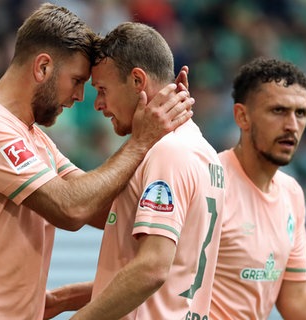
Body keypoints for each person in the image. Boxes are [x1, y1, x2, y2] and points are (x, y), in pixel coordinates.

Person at [0, 3, 195, 320]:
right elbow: (71, 209)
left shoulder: (35, 140)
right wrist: (141, 142)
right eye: (77, 80)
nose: (81, 97)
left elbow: (100, 206)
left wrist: (169, 166)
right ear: (42, 68)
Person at [44, 22, 225, 320]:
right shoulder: (204, 152)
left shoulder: (167, 152)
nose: (99, 104)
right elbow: (174, 273)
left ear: (138, 81)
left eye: (102, 90)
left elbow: (152, 269)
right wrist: (64, 299)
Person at [210, 57, 306, 320]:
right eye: (278, 111)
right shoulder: (208, 181)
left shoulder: (292, 193)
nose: (292, 126)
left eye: (301, 113)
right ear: (242, 116)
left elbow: (295, 300)